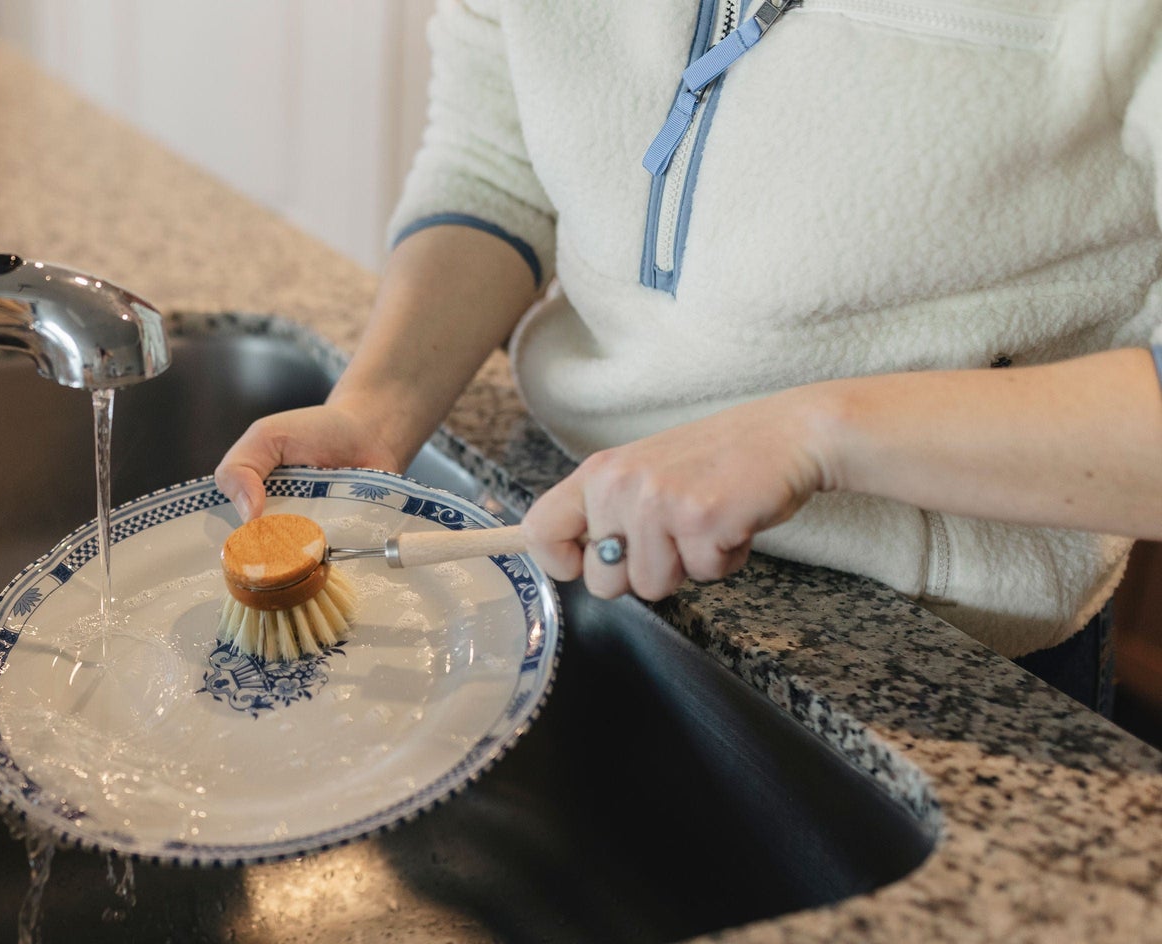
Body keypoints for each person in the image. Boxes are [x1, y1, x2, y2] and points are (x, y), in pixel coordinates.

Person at [216, 0, 1162, 712]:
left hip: (938, 645)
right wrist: (375, 409)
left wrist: (812, 436)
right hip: (575, 512)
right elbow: (493, 162)